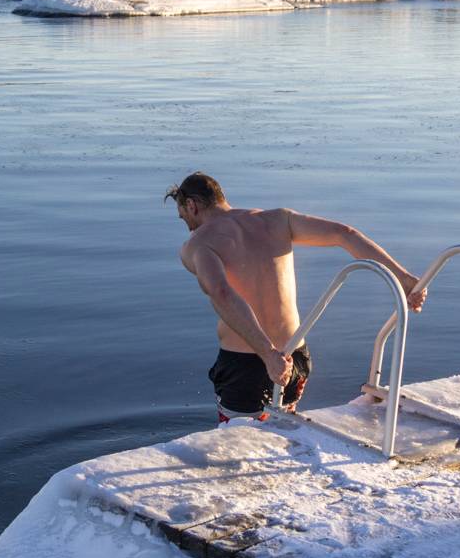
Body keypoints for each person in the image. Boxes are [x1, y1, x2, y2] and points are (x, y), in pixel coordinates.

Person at [166, 171, 427, 423]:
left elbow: (222, 293)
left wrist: (268, 356)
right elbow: (344, 234)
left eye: (183, 217)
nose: (188, 227)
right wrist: (404, 279)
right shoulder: (277, 219)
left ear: (192, 205)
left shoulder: (198, 244)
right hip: (295, 356)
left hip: (248, 365)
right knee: (281, 430)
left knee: (236, 448)